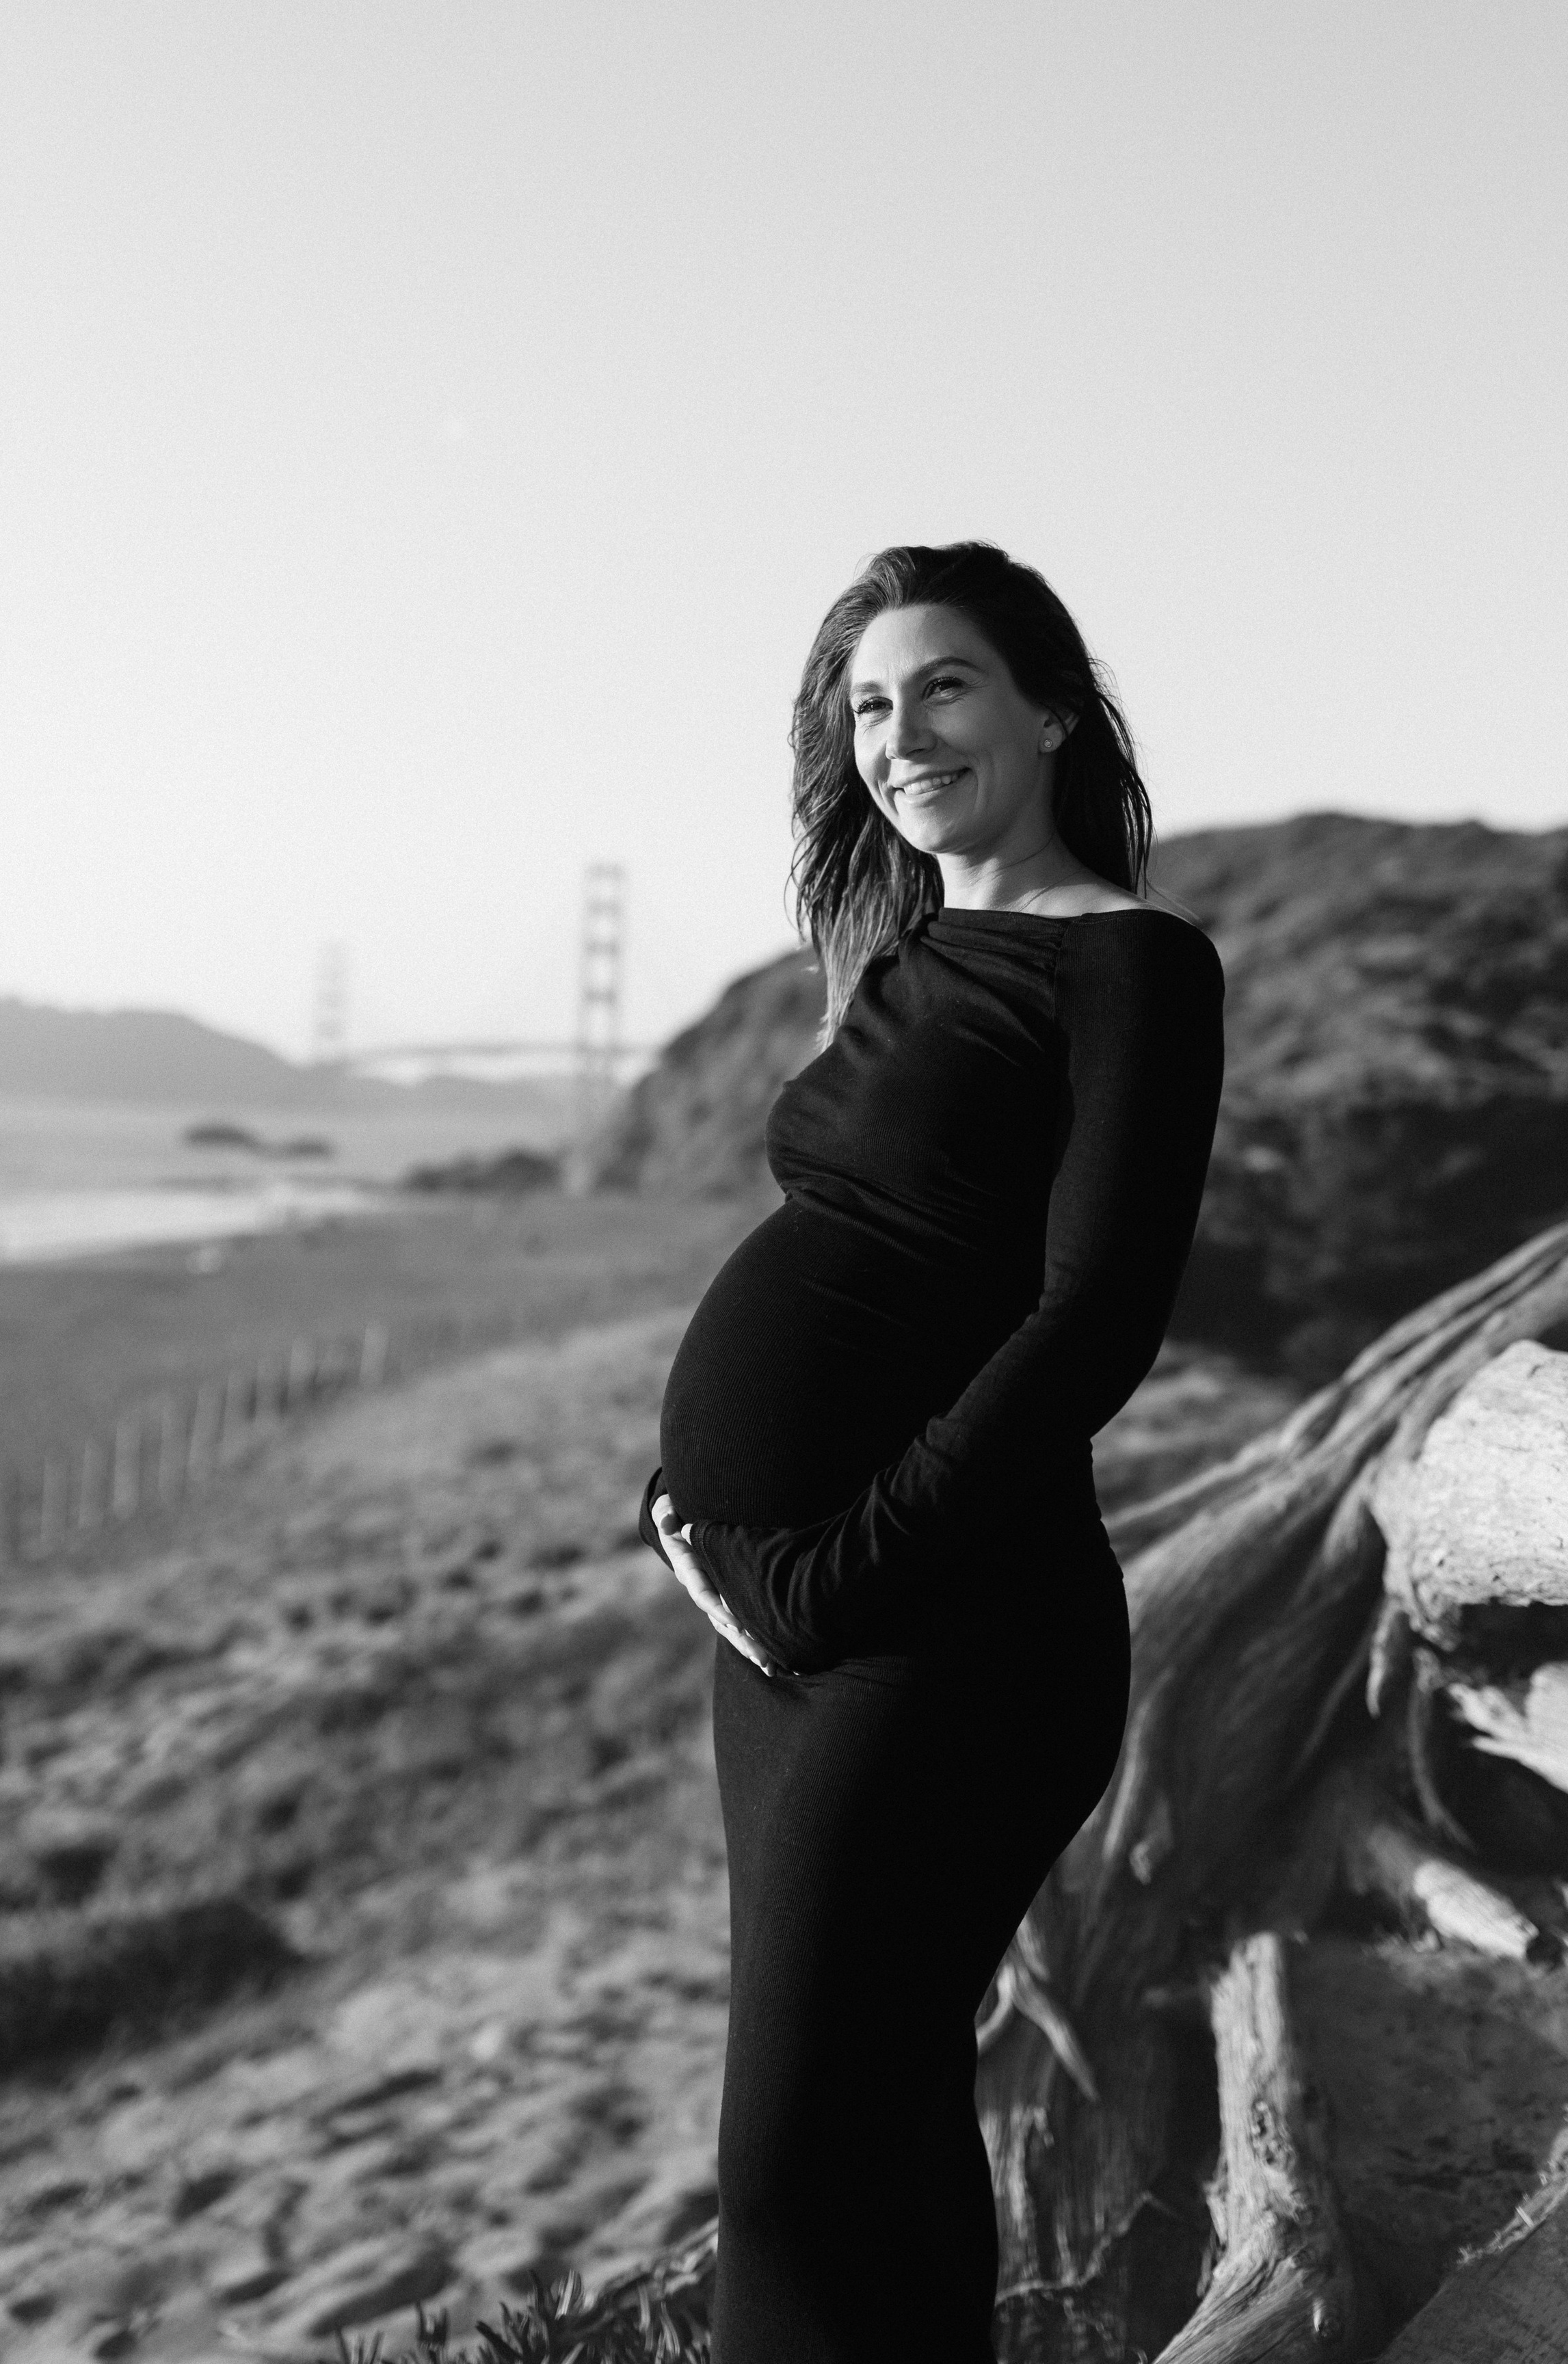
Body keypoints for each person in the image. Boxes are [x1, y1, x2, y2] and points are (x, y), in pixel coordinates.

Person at [637, 541, 1224, 2362]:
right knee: (876, 2125)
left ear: (1051, 706)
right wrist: (687, 1504)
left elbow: (1096, 1322)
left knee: (794, 2161)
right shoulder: (906, 951)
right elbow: (847, 1278)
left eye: (946, 686)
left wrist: (832, 1570)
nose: (903, 733)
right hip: (795, 1626)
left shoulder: (1131, 965)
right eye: (871, 705)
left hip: (950, 1628)